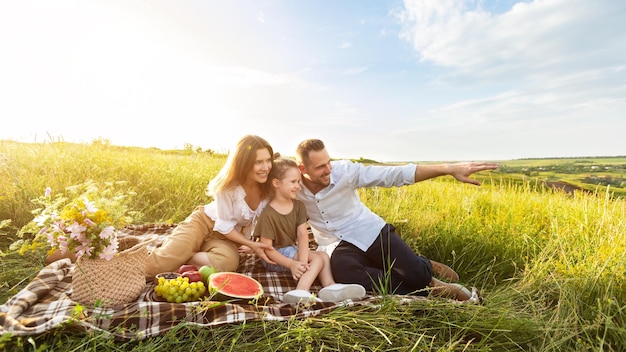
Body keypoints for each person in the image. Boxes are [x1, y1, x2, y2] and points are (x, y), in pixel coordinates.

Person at [294, 139, 498, 301]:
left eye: (329, 162)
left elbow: (394, 174)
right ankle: (432, 289)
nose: (328, 169)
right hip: (335, 244)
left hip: (368, 230)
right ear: (303, 169)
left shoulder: (346, 172)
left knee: (417, 274)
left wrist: (447, 168)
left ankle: (424, 267)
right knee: (345, 275)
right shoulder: (293, 186)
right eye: (321, 166)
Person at [144, 135, 278, 279]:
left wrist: (255, 243)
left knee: (228, 263)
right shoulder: (228, 187)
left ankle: (185, 256)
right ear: (244, 163)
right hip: (203, 223)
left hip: (228, 238)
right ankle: (178, 253)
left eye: (268, 160)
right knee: (158, 266)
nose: (266, 167)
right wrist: (251, 244)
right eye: (258, 162)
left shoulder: (270, 187)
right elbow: (224, 225)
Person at [253, 157, 366, 304]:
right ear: (276, 183)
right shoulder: (268, 214)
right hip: (274, 257)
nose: (298, 186)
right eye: (293, 182)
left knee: (324, 256)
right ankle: (301, 290)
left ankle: (330, 287)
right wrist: (292, 264)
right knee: (317, 259)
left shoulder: (298, 206)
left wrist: (302, 260)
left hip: (290, 250)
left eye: (299, 182)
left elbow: (303, 235)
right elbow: (267, 249)